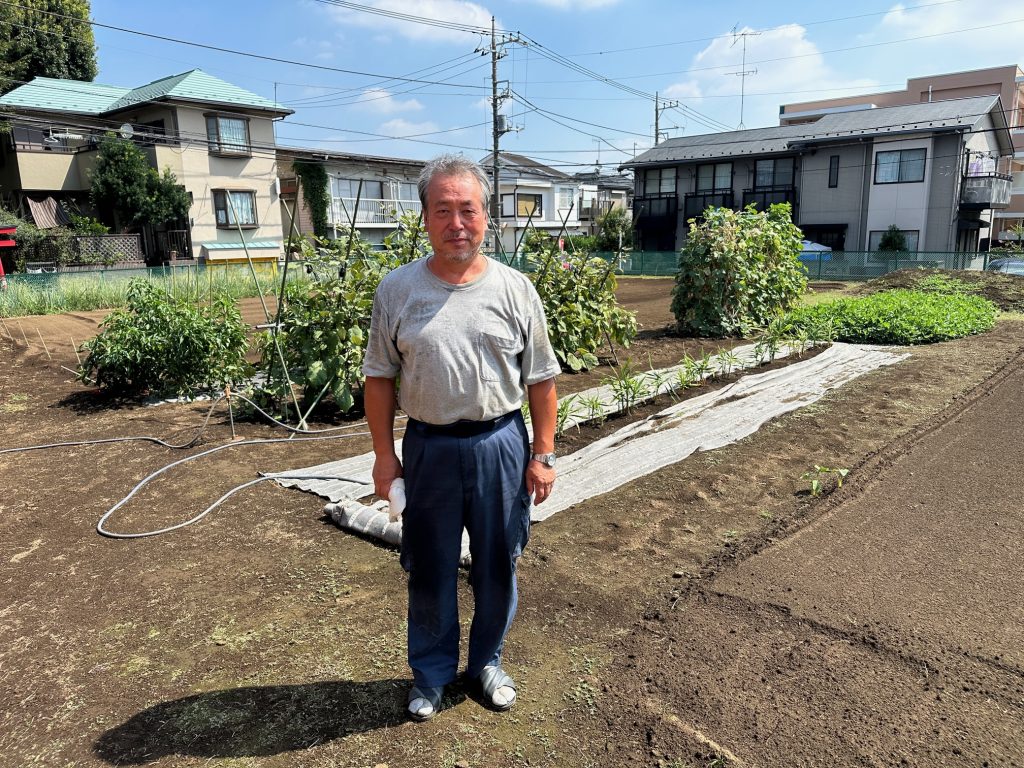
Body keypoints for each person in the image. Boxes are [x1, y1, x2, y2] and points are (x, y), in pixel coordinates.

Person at [362, 154, 560, 722]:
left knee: (499, 560)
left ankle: (487, 663)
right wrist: (384, 457)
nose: (457, 223)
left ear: (486, 217)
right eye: (442, 210)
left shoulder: (516, 290)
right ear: (423, 218)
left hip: (501, 442)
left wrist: (542, 454)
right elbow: (379, 377)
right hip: (428, 447)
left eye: (467, 210)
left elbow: (542, 380)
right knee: (430, 564)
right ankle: (430, 673)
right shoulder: (397, 290)